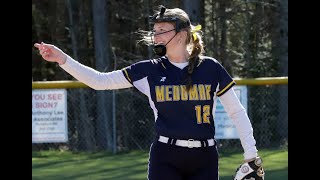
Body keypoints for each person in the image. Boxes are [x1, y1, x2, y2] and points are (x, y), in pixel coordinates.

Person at [34, 5, 264, 180]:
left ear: (182, 34)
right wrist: (62, 59)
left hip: (204, 157)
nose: (156, 35)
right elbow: (99, 81)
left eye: (163, 30)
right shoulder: (149, 70)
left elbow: (236, 112)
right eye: (155, 31)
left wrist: (251, 154)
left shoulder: (210, 68)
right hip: (165, 156)